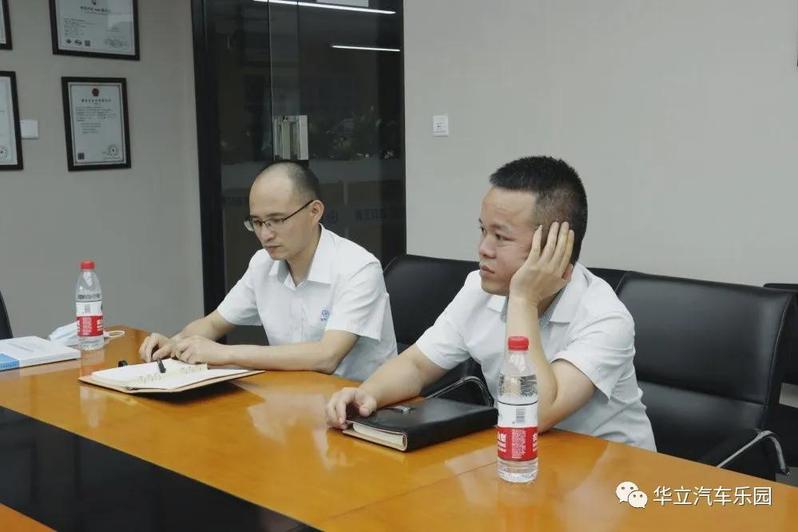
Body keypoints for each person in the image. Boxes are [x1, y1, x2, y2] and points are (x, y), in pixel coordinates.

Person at [326, 156, 655, 450]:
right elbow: (417, 365)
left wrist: (523, 300)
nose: (483, 248)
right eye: (483, 231)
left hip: (611, 478)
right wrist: (368, 394)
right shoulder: (478, 289)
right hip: (520, 461)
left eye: (501, 237)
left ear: (555, 247)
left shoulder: (604, 317)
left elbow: (534, 415)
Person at [140, 161, 397, 381]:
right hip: (291, 395)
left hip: (359, 407)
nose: (265, 234)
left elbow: (326, 356)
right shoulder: (262, 264)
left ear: (314, 212)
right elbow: (214, 323)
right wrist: (175, 343)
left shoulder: (357, 268)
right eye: (257, 222)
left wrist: (225, 353)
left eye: (277, 220)